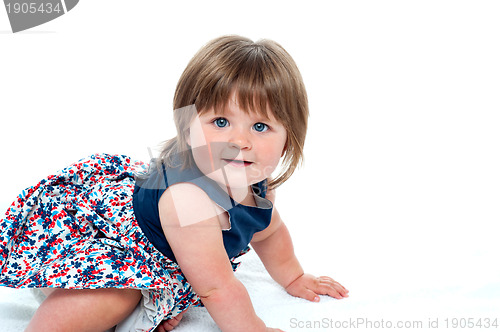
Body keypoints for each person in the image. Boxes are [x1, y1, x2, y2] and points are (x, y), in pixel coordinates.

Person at [0, 35, 348, 332]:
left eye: (260, 127)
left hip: (168, 258)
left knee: (168, 286)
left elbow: (270, 233)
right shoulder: (189, 200)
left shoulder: (258, 184)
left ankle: (160, 293)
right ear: (187, 126)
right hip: (98, 247)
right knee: (117, 297)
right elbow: (216, 288)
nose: (240, 141)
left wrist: (293, 277)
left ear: (289, 139)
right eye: (221, 121)